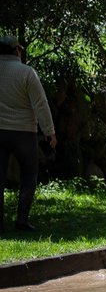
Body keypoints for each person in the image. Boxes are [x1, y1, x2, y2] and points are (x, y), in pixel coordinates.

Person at [0, 35, 56, 233]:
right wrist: (50, 132)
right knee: (29, 175)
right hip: (24, 132)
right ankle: (21, 220)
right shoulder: (27, 73)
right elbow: (40, 104)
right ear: (17, 51)